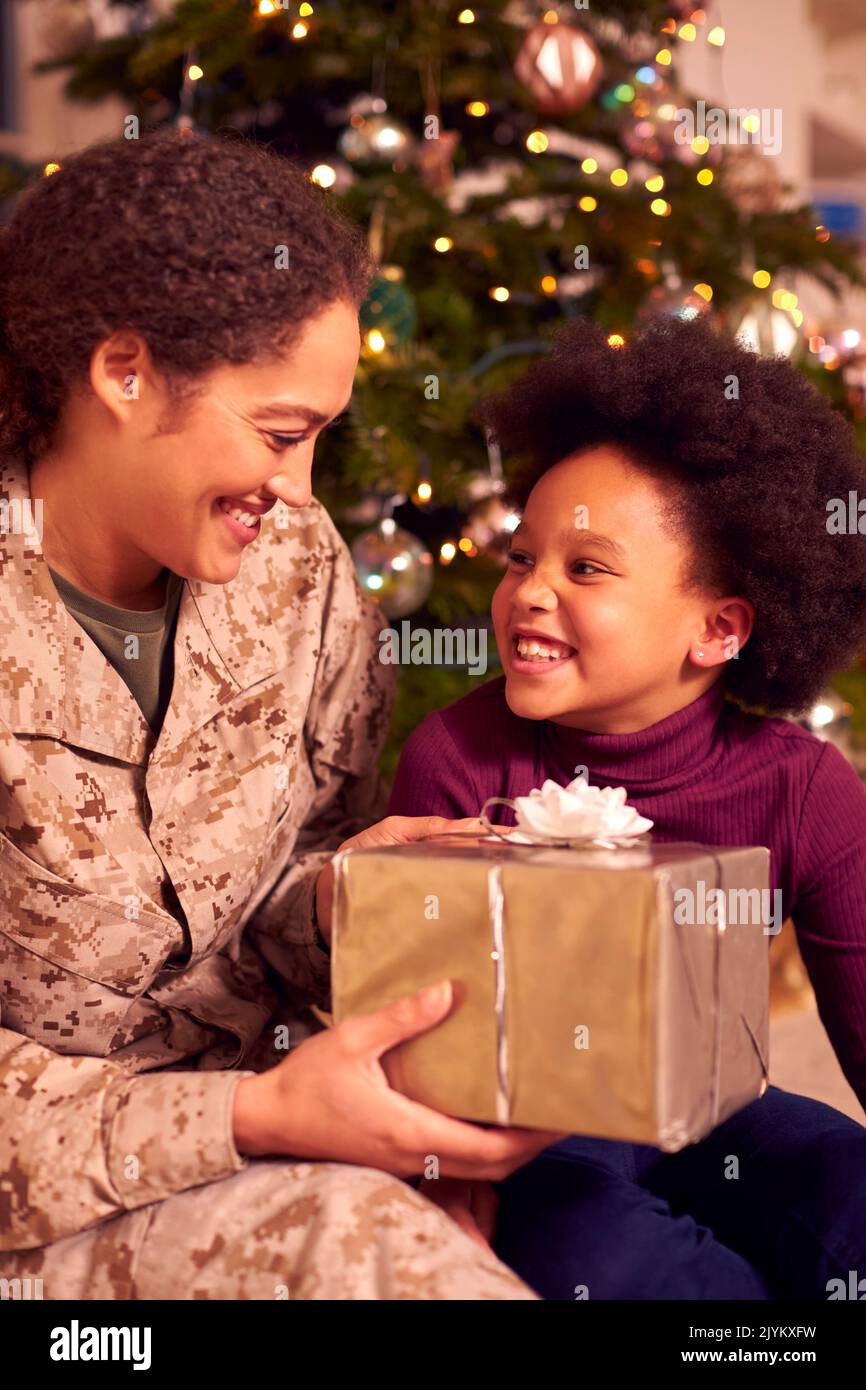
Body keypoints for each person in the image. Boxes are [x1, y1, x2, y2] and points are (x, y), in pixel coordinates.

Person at [0, 131, 560, 1300]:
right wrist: (253, 1115)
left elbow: (282, 875)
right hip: (44, 1207)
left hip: (270, 1134)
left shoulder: (296, 571)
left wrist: (358, 898)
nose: (301, 492)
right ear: (124, 371)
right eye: (281, 434)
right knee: (363, 1252)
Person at [389, 314, 866, 1300]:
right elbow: (417, 1043)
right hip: (539, 1132)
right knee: (598, 1258)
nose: (526, 592)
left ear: (715, 628)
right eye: (520, 558)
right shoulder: (455, 759)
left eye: (584, 567)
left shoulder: (800, 784)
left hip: (720, 1110)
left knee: (843, 1182)